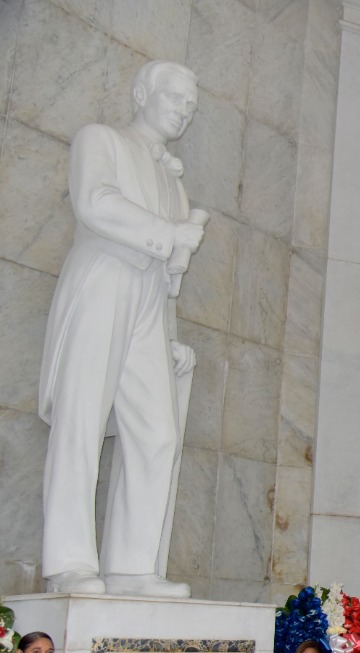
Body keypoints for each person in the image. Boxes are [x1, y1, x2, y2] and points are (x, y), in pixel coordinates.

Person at [39, 59, 207, 597]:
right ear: (141, 92)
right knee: (81, 418)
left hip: (148, 304)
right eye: (175, 97)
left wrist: (169, 336)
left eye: (191, 105)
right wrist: (172, 233)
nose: (183, 110)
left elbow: (168, 270)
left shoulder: (173, 182)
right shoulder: (101, 140)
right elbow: (95, 204)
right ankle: (69, 562)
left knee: (157, 432)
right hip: (103, 280)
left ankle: (133, 567)